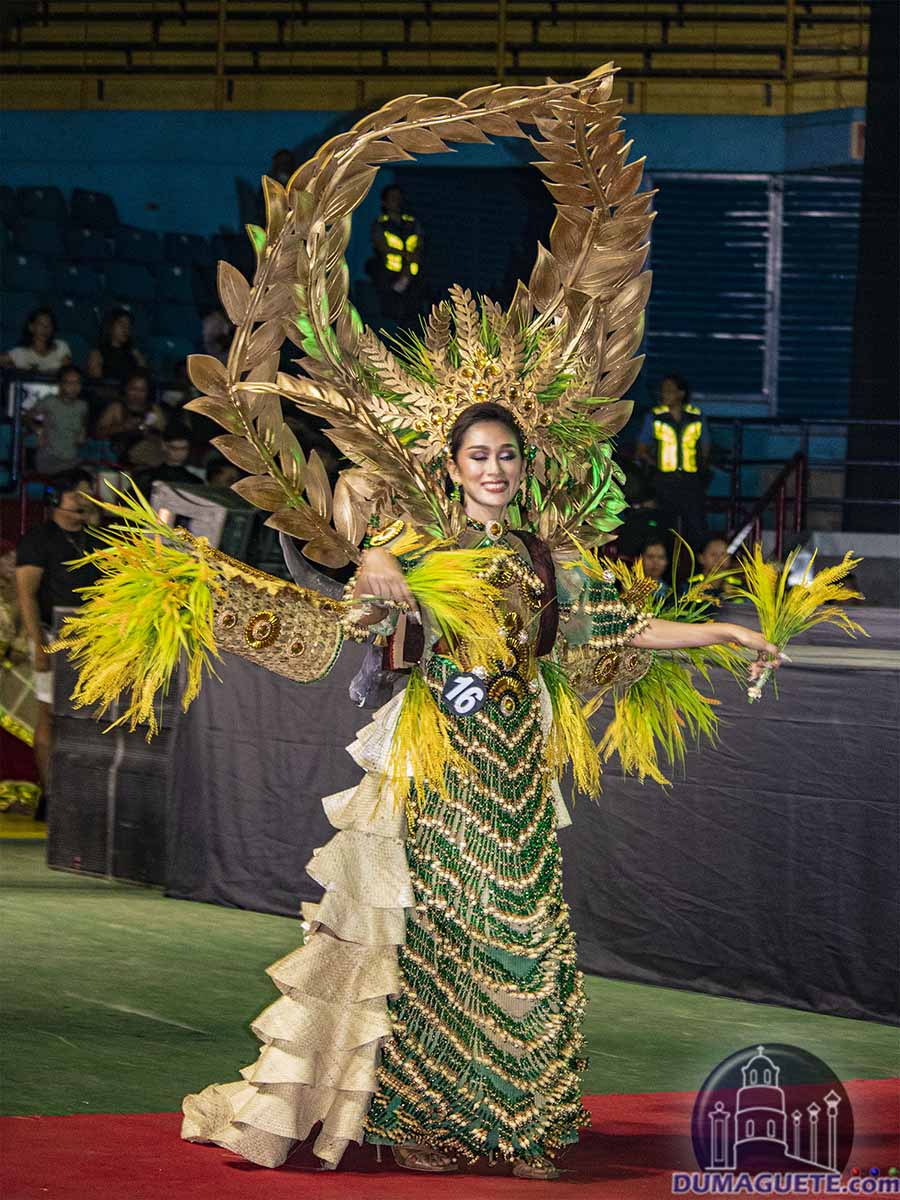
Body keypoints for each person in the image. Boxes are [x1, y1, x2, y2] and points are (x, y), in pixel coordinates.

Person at [56, 74, 783, 1183]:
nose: (495, 468)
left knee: (521, 936)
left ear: (525, 464)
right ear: (451, 466)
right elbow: (353, 609)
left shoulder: (551, 558)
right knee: (432, 939)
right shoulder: (419, 555)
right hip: (433, 765)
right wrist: (368, 570)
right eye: (477, 456)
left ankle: (508, 1122)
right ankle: (414, 1114)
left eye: (507, 456)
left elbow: (615, 630)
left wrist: (727, 637)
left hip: (512, 769)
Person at [14, 469, 99, 817]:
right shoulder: (38, 540)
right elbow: (26, 595)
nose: (84, 499)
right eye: (78, 493)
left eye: (88, 493)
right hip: (55, 635)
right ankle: (50, 795)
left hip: (95, 637)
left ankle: (82, 794)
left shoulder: (98, 538)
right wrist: (39, 646)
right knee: (50, 717)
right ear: (56, 499)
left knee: (90, 718)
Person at [636, 373, 710, 550]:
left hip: (690, 481)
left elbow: (705, 446)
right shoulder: (654, 417)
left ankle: (700, 571)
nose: (664, 394)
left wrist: (701, 468)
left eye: (669, 390)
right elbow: (641, 449)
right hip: (664, 482)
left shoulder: (696, 416)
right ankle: (665, 574)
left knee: (696, 530)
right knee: (665, 530)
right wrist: (655, 465)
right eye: (662, 390)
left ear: (681, 393)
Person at [368, 185, 424, 325]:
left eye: (399, 198)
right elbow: (381, 246)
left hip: (412, 276)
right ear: (384, 202)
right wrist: (405, 255)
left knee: (413, 314)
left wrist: (413, 258)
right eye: (393, 198)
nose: (397, 201)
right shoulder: (381, 223)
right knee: (391, 314)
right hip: (389, 275)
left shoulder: (411, 222)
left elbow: (420, 243)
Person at [26, 364, 89, 477]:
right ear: (60, 384)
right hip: (49, 460)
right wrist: (37, 430)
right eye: (69, 383)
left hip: (71, 459)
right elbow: (26, 417)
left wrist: (82, 434)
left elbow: (82, 429)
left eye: (77, 382)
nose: (74, 387)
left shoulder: (82, 406)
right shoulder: (50, 401)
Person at [95, 368, 167, 465]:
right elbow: (98, 433)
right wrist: (124, 426)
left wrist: (149, 432)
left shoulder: (154, 409)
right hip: (117, 459)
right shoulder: (116, 408)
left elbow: (166, 437)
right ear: (125, 388)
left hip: (148, 460)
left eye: (142, 390)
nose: (137, 394)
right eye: (133, 389)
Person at [134, 422, 201, 493]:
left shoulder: (195, 481)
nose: (179, 453)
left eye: (184, 448)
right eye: (174, 448)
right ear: (164, 446)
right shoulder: (147, 478)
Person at [1, 307, 72, 374]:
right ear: (31, 327)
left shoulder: (61, 346)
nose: (45, 328)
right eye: (41, 324)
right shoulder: (20, 352)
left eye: (49, 324)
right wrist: (12, 369)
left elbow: (66, 373)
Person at [86, 307, 147, 384]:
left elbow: (143, 377)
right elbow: (96, 383)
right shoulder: (97, 353)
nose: (126, 329)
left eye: (129, 326)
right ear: (110, 326)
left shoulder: (133, 353)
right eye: (121, 324)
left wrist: (138, 357)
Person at [640, 535, 670, 602]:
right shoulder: (630, 588)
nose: (655, 562)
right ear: (640, 559)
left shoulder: (672, 592)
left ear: (667, 561)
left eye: (661, 557)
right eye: (650, 556)